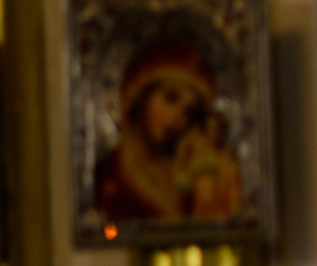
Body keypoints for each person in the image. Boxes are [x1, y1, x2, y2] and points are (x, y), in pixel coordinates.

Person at [95, 39, 243, 224]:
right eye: (171, 98)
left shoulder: (188, 173)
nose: (177, 118)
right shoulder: (107, 179)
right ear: (138, 97)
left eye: (189, 111)